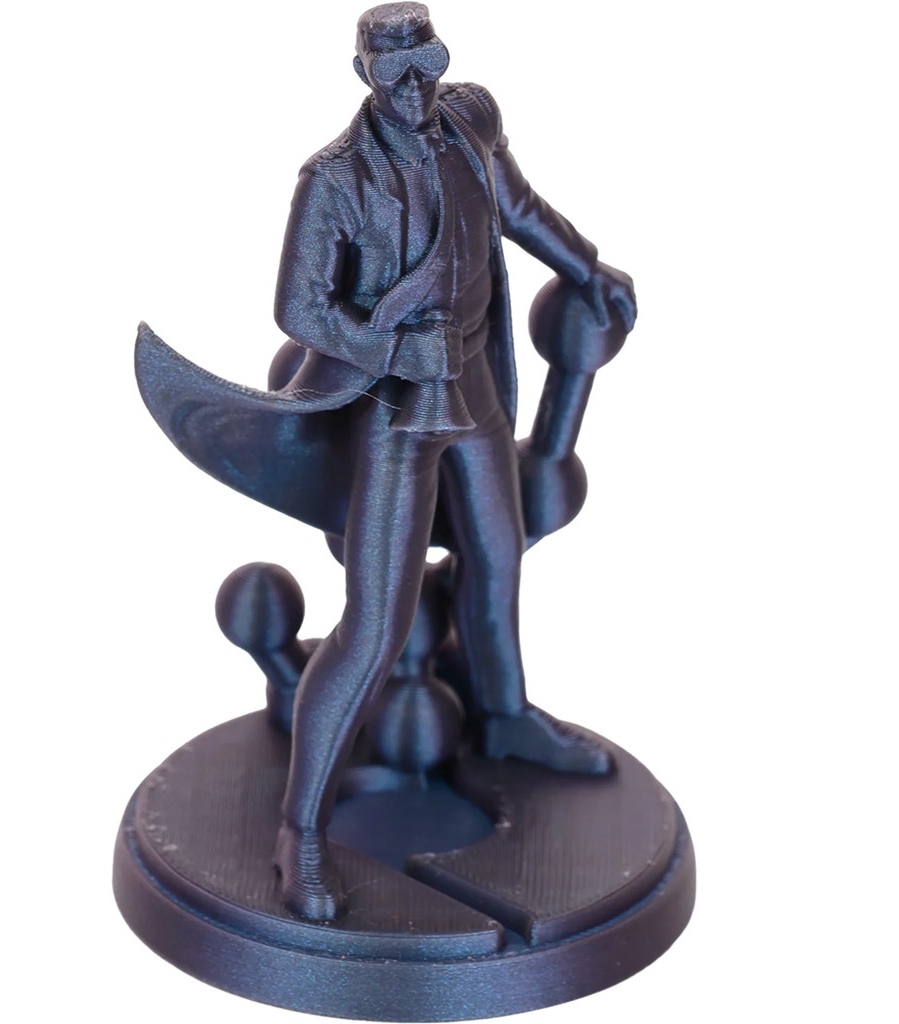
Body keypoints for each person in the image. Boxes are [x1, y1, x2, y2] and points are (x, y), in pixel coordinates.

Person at [272, 3, 637, 921]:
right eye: (394, 71)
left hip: (471, 381)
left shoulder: (470, 120)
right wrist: (393, 350)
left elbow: (517, 208)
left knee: (498, 553)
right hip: (394, 409)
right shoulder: (334, 179)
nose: (414, 86)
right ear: (364, 73)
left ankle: (504, 714)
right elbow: (299, 308)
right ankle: (299, 833)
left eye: (426, 64)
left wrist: (587, 268)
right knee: (374, 626)